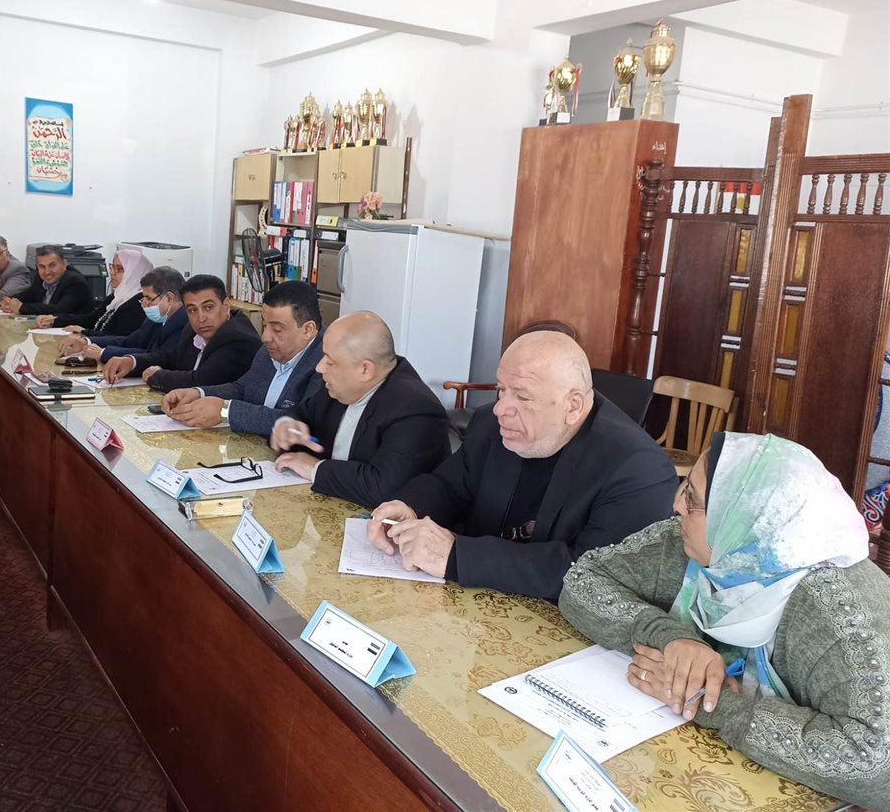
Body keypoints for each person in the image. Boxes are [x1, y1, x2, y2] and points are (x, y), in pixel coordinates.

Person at [558, 433, 890, 809]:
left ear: (742, 519)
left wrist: (708, 699)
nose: (676, 506)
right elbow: (582, 579)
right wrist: (672, 638)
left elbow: (876, 765)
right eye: (685, 488)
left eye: (693, 499)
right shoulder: (700, 546)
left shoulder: (836, 612)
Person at [367, 330, 676, 600]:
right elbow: (449, 485)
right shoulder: (490, 424)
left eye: (523, 397)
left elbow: (592, 573)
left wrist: (457, 556)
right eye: (501, 390)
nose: (500, 408)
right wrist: (410, 507)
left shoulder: (638, 468)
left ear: (574, 406)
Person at [270, 311, 449, 509]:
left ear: (365, 370)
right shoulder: (341, 385)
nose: (319, 368)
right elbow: (303, 414)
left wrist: (315, 468)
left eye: (330, 361)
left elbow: (382, 488)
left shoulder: (416, 410)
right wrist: (287, 425)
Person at [160, 281, 323, 437]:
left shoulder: (326, 362)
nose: (265, 337)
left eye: (277, 329)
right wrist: (198, 393)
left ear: (308, 329)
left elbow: (301, 423)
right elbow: (243, 389)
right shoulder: (270, 350)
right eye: (265, 326)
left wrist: (225, 411)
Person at [101, 274, 259, 391]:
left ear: (226, 306)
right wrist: (131, 361)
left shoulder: (238, 338)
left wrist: (156, 376)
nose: (201, 318)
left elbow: (200, 381)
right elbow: (170, 358)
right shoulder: (191, 329)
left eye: (208, 307)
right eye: (192, 310)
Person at [56, 267, 187, 363]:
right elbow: (130, 342)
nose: (144, 304)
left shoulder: (184, 323)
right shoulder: (156, 317)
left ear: (169, 298)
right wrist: (86, 342)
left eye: (148, 298)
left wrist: (104, 353)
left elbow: (157, 356)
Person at [38, 248, 151, 335]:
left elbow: (119, 338)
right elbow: (90, 319)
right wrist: (55, 320)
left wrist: (85, 333)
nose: (112, 272)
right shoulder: (116, 297)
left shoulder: (138, 303)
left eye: (120, 269)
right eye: (112, 267)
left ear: (135, 272)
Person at [0, 245, 92, 316]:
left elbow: (60, 310)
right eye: (42, 267)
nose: (47, 272)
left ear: (64, 264)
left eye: (52, 265)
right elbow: (29, 295)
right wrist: (9, 301)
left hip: (71, 331)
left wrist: (21, 307)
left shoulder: (75, 282)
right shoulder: (40, 278)